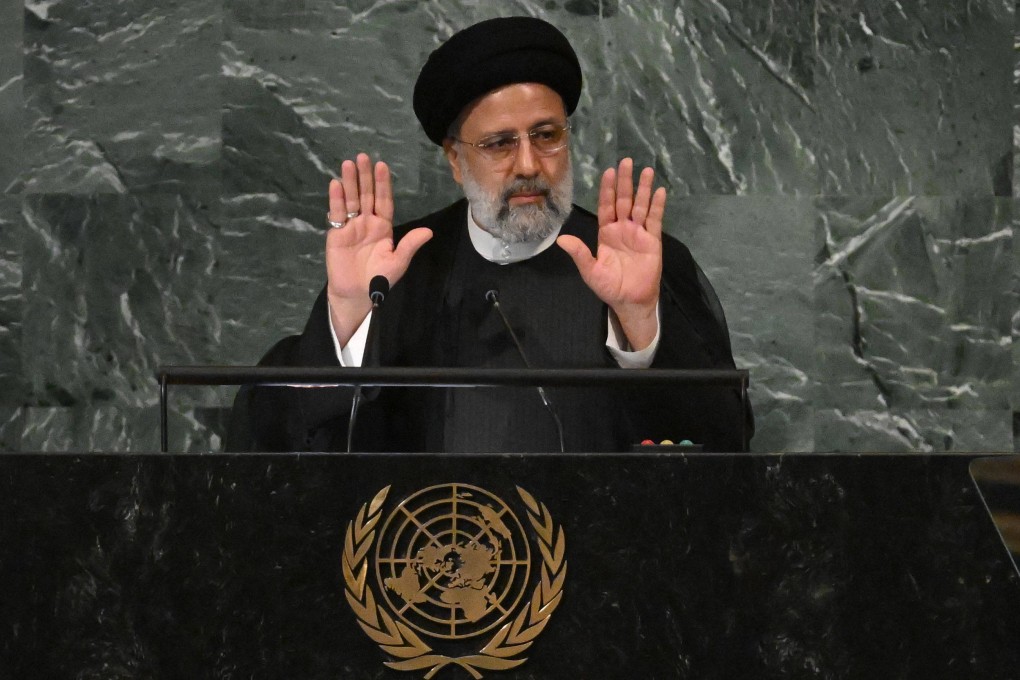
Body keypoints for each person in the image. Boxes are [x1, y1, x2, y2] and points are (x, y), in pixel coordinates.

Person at [227, 16, 751, 453]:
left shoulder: (641, 262)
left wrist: (641, 328)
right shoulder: (393, 272)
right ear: (456, 159)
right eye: (499, 144)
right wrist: (344, 318)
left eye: (546, 136)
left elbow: (727, 446)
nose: (528, 164)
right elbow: (273, 444)